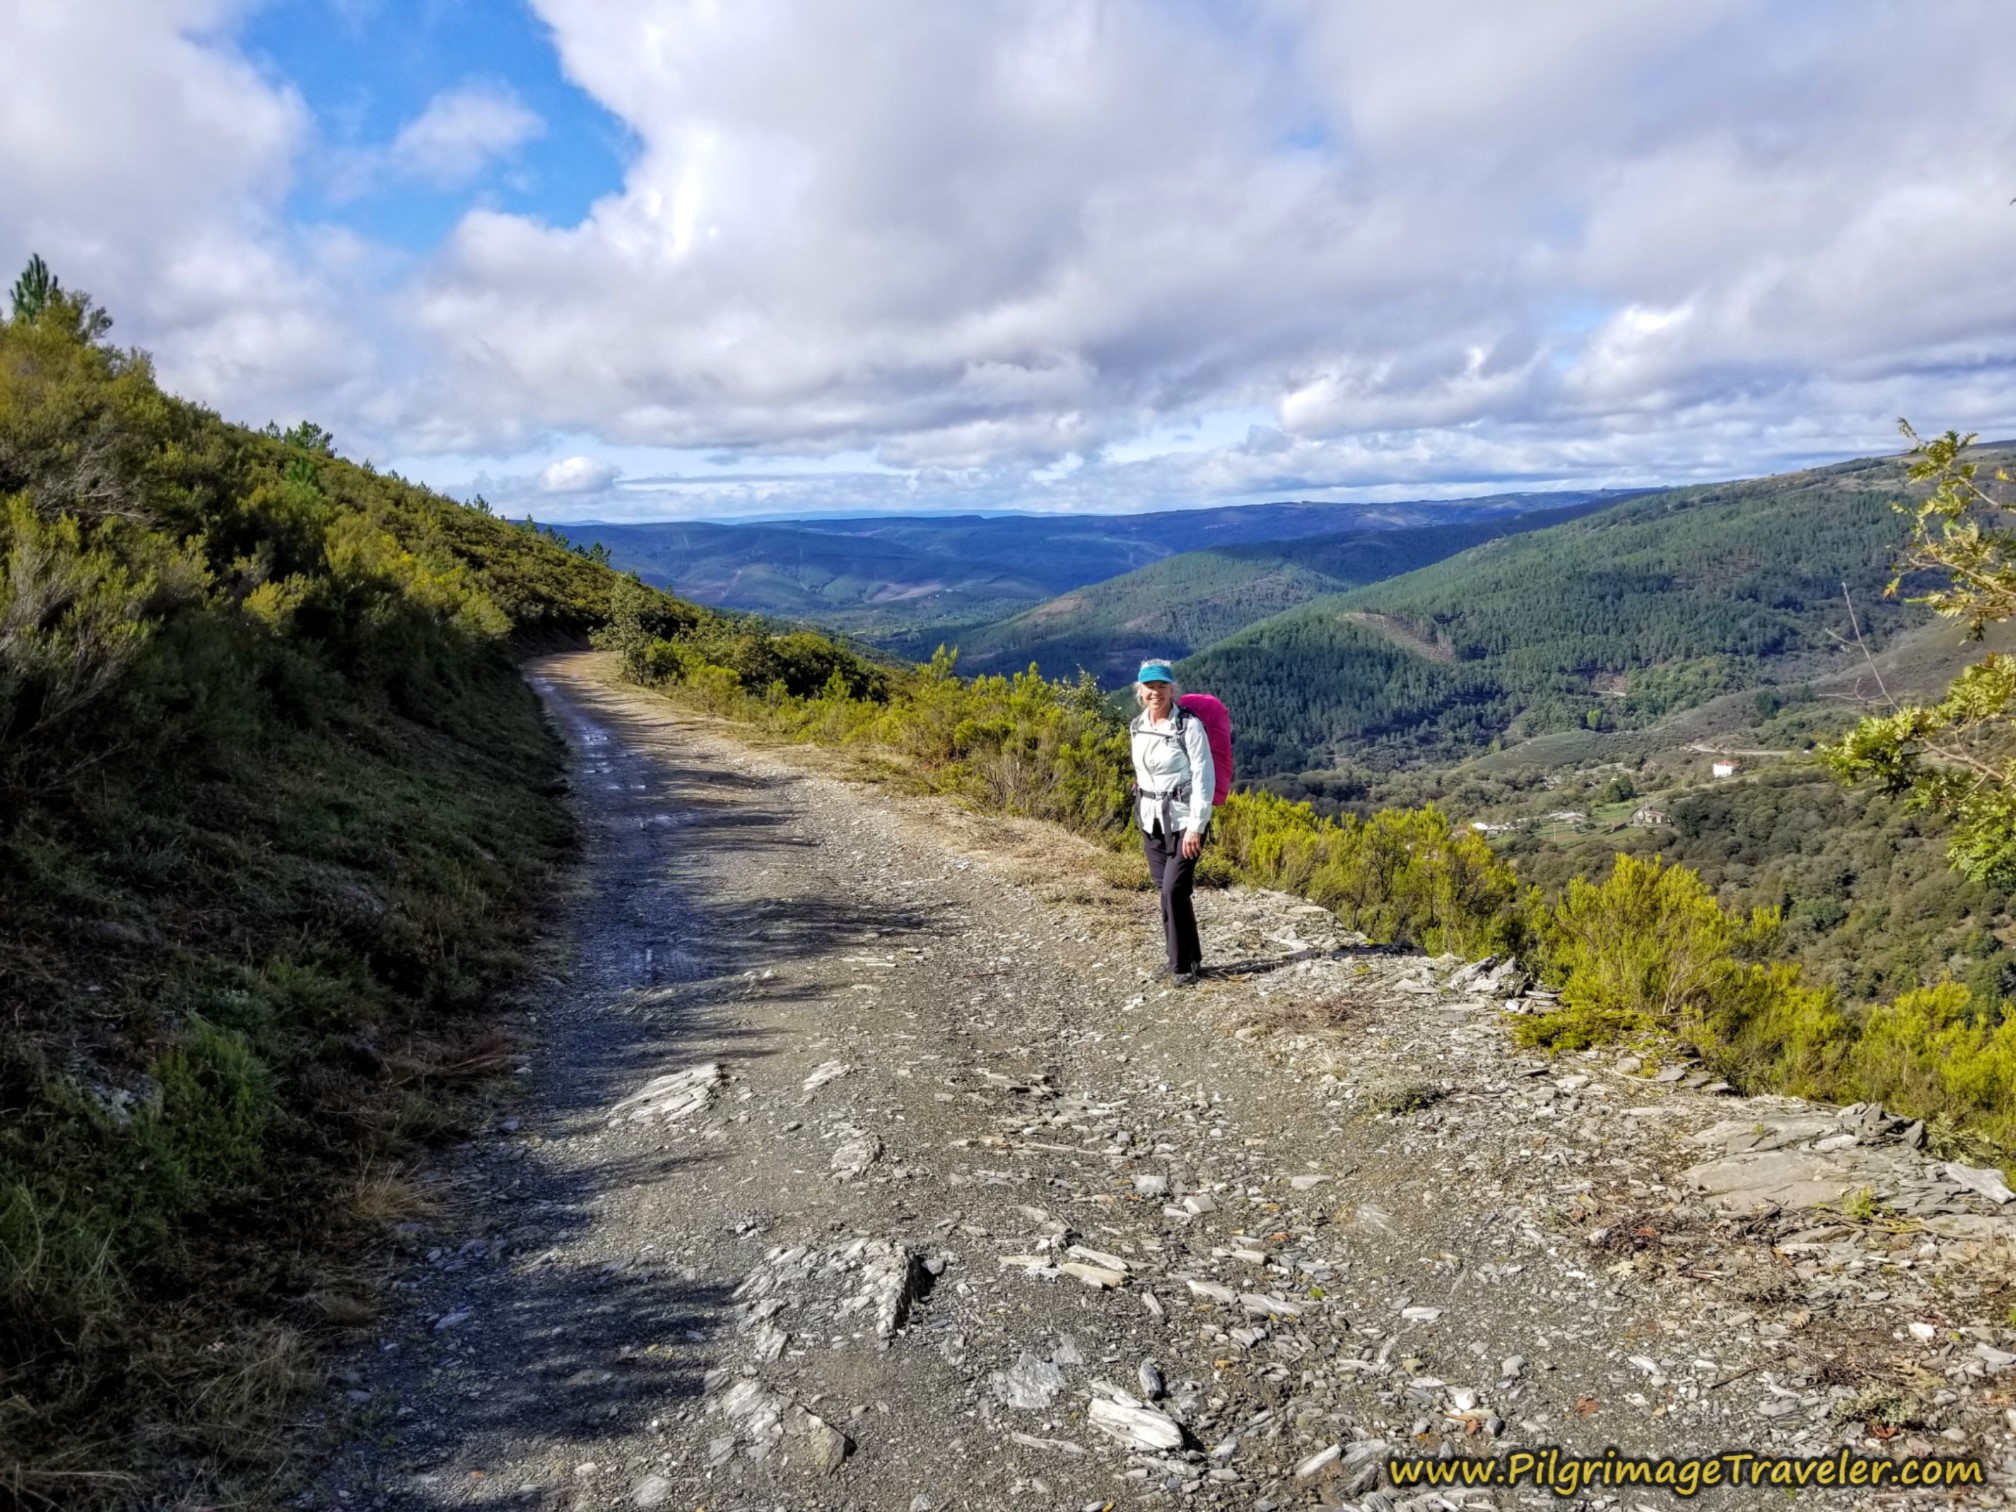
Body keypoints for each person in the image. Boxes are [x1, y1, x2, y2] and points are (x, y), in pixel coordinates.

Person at [1129, 660, 1215, 985]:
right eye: (1150, 687)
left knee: (1173, 890)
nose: (1156, 693)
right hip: (1151, 821)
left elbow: (1204, 777)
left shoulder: (1188, 727)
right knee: (1166, 892)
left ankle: (1181, 968)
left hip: (1183, 821)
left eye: (1162, 686)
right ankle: (1185, 957)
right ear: (1140, 690)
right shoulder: (1137, 726)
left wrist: (1197, 826)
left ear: (1171, 689)